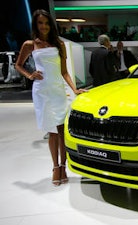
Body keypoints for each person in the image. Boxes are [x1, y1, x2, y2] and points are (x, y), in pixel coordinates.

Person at [14, 9, 87, 186]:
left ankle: (63, 165)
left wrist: (74, 89)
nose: (44, 26)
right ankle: (55, 167)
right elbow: (18, 65)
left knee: (61, 131)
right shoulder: (30, 44)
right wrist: (30, 75)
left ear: (51, 25)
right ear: (36, 25)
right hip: (42, 92)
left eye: (46, 23)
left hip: (58, 92)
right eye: (40, 23)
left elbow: (64, 71)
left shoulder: (59, 44)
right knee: (52, 131)